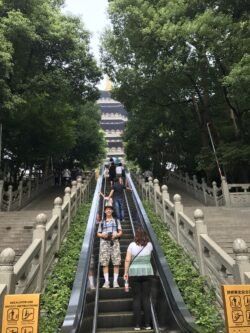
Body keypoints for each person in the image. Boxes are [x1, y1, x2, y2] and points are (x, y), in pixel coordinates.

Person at [124, 227, 154, 331]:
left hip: (134, 273)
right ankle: (147, 324)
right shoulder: (149, 245)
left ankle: (137, 325)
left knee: (136, 298)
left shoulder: (131, 245)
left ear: (136, 235)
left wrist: (125, 273)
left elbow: (127, 260)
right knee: (146, 298)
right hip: (147, 272)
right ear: (146, 235)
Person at [97, 205, 123, 288]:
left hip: (114, 241)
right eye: (107, 210)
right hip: (104, 242)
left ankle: (115, 282)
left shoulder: (116, 220)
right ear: (104, 212)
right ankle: (107, 282)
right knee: (104, 263)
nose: (108, 211)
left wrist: (116, 235)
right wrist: (103, 235)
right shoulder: (102, 222)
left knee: (116, 261)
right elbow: (98, 233)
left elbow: (120, 232)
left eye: (110, 210)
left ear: (112, 211)